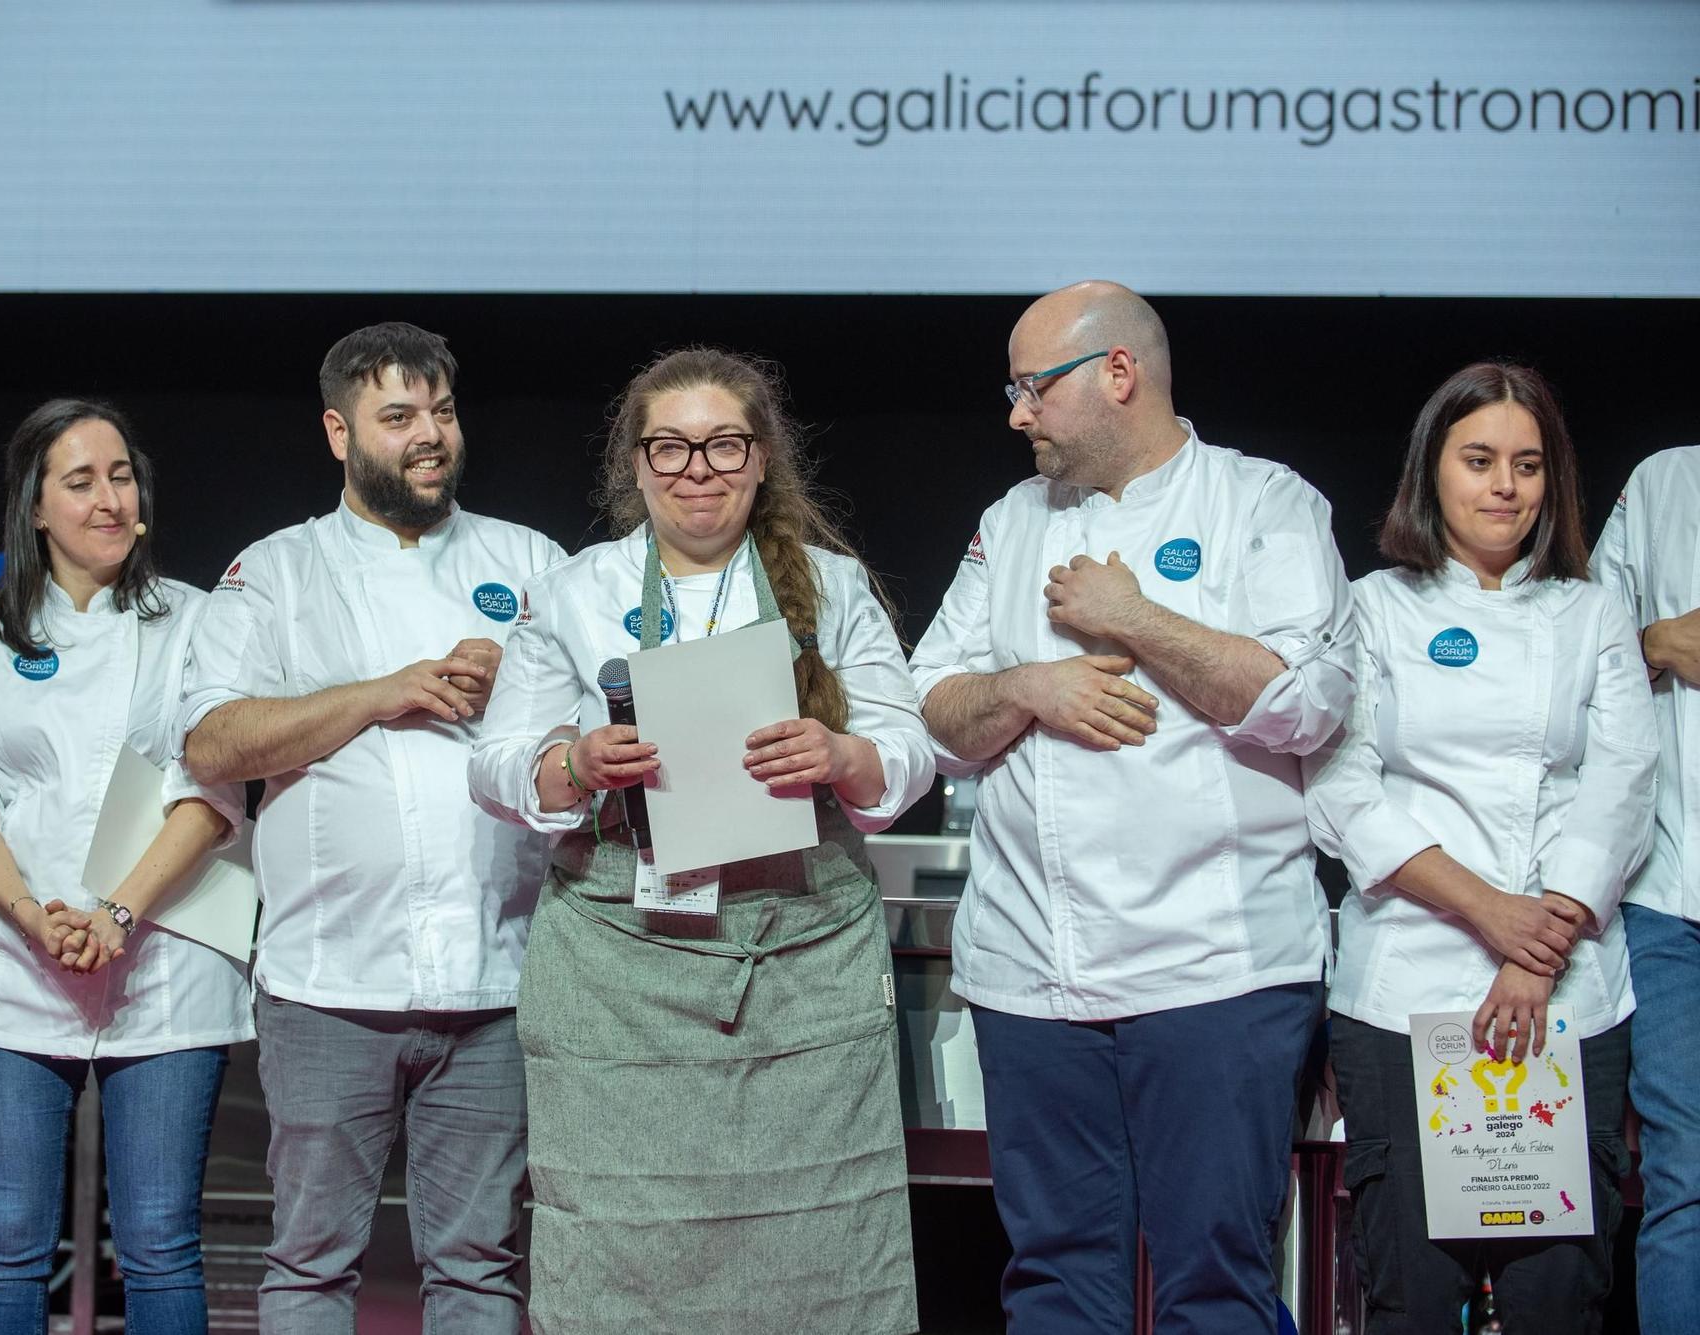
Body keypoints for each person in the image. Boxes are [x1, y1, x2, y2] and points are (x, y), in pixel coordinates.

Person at [908, 281, 1356, 1334]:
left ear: (1119, 374)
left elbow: (1307, 702)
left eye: (1032, 388)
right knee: (1054, 1281)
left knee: (1215, 1280)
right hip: (1032, 970)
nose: (1014, 414)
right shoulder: (1007, 522)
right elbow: (929, 709)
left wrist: (1136, 619)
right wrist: (1025, 688)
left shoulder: (1262, 504)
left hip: (1214, 971)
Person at [469, 346, 933, 1335]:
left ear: (759, 458)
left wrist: (839, 753)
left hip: (800, 956)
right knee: (616, 1234)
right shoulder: (576, 590)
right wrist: (574, 763)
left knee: (820, 1233)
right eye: (669, 447)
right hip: (616, 963)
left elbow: (906, 752)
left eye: (722, 444)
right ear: (634, 464)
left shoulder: (832, 586)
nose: (696, 468)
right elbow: (494, 764)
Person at [180, 322, 563, 1333]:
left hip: (498, 980)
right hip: (326, 984)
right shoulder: (273, 572)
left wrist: (519, 689)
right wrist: (380, 691)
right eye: (397, 417)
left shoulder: (528, 560)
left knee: (479, 1268)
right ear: (337, 431)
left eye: (440, 411)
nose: (429, 435)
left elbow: (603, 729)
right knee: (309, 1265)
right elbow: (212, 742)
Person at [1304, 363, 1657, 1333]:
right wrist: (1490, 914)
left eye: (1527, 464)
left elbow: (1623, 783)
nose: (1504, 485)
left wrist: (1534, 951)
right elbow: (1340, 788)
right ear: (1433, 471)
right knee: (1407, 1294)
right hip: (1402, 989)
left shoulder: (1589, 616)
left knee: (1558, 1297)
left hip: (1568, 994)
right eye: (1479, 460)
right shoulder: (1371, 610)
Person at [0, 399, 251, 1334]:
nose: (110, 499)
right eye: (81, 481)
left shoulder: (197, 618)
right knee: (8, 1245)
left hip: (165, 955)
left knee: (158, 1244)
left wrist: (117, 912)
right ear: (34, 507)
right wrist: (34, 914)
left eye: (121, 476)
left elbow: (213, 789)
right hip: (17, 959)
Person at [1591, 442, 1700, 1333]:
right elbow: (1577, 659)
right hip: (1673, 898)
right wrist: (1657, 640)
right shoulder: (1667, 481)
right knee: (1686, 1177)